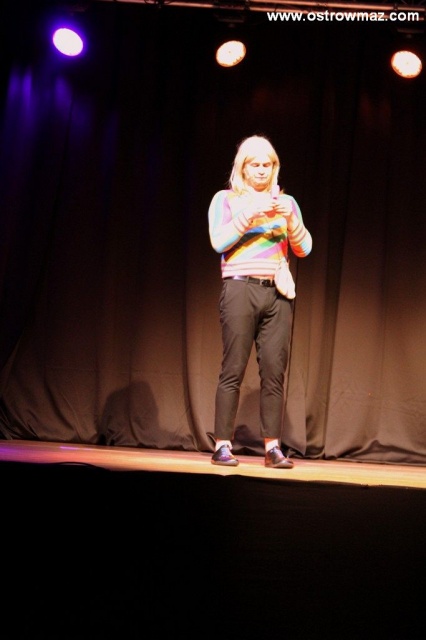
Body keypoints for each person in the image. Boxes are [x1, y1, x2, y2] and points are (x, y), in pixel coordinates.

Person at [208, 134, 312, 468]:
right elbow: (218, 241)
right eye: (255, 164)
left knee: (274, 372)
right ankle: (222, 445)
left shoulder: (287, 202)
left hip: (277, 294)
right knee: (233, 369)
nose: (262, 170)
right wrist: (249, 215)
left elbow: (304, 248)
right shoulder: (225, 199)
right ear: (243, 167)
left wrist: (291, 219)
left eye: (267, 164)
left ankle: (273, 449)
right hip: (240, 289)